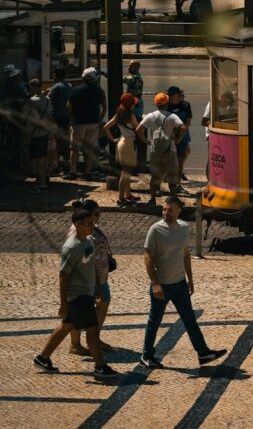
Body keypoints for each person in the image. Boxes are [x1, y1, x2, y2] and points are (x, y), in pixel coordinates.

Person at [141, 196, 227, 369]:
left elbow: (185, 253)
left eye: (170, 210)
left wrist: (190, 278)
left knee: (189, 319)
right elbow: (147, 257)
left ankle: (203, 353)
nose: (166, 212)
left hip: (179, 283)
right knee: (154, 320)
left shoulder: (183, 227)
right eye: (164, 209)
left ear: (178, 211)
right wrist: (155, 283)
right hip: (163, 284)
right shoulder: (155, 230)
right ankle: (146, 355)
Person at [33, 208, 118, 378]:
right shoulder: (71, 247)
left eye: (93, 223)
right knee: (92, 330)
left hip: (88, 292)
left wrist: (99, 287)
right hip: (78, 296)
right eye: (88, 224)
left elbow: (90, 264)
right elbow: (63, 276)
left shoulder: (87, 240)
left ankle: (43, 358)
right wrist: (63, 303)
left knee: (66, 326)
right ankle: (100, 366)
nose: (92, 226)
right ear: (77, 225)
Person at [67, 199, 113, 355]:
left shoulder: (91, 227)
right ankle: (76, 344)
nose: (99, 216)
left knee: (103, 304)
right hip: (88, 281)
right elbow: (87, 261)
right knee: (78, 312)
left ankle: (94, 338)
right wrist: (98, 286)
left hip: (100, 278)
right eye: (97, 213)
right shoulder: (81, 231)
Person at [135, 92, 184, 205]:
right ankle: (174, 200)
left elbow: (138, 130)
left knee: (155, 177)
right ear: (167, 103)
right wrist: (178, 139)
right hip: (170, 150)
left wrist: (147, 141)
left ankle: (152, 199)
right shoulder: (172, 117)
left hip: (155, 151)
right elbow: (183, 127)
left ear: (156, 104)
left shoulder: (150, 116)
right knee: (172, 177)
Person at [67, 66, 106, 180]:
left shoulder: (76, 90)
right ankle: (87, 173)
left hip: (78, 122)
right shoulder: (100, 90)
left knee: (75, 149)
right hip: (93, 122)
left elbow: (68, 106)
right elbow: (104, 107)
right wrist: (100, 119)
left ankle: (73, 173)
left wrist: (72, 116)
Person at [103, 93, 141, 206]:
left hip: (121, 142)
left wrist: (113, 139)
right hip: (129, 144)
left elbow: (106, 127)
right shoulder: (131, 116)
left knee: (126, 171)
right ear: (131, 105)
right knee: (125, 172)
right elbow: (138, 128)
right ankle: (121, 199)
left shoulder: (118, 114)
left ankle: (127, 194)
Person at [25, 78, 54, 191]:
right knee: (43, 157)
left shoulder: (30, 101)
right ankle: (42, 179)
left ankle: (42, 183)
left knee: (39, 159)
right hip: (45, 131)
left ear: (33, 87)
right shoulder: (47, 99)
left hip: (34, 132)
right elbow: (50, 113)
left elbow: (25, 114)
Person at [47, 68, 73, 174]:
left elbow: (47, 99)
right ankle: (66, 165)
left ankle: (56, 165)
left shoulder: (56, 87)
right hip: (67, 117)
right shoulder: (69, 86)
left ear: (56, 76)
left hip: (57, 118)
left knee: (56, 142)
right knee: (65, 141)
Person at [167, 86, 193, 187]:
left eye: (170, 95)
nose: (168, 96)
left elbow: (188, 122)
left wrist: (179, 137)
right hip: (169, 137)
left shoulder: (186, 105)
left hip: (183, 137)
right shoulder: (166, 105)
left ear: (176, 96)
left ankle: (178, 184)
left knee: (180, 160)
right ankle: (169, 182)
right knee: (169, 161)